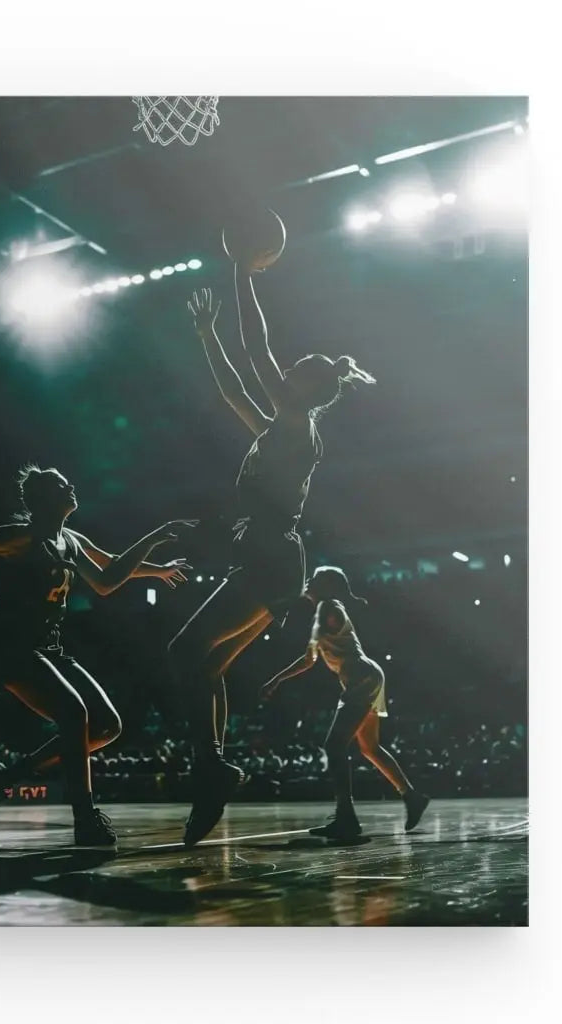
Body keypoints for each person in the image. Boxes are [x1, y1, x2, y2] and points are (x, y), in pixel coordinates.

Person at [169, 271, 376, 847]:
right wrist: (208, 337)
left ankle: (211, 768)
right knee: (203, 664)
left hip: (273, 559)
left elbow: (257, 350)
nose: (282, 372)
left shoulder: (296, 423)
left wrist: (241, 272)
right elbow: (235, 389)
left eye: (292, 371)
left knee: (185, 649)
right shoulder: (275, 429)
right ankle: (211, 771)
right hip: (268, 559)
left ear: (306, 387)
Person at [0, 464, 195, 846]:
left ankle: (1, 777)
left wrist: (155, 564)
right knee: (74, 714)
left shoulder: (71, 540)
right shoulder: (21, 537)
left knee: (106, 727)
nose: (71, 486)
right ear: (43, 499)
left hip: (49, 649)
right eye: (60, 484)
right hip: (11, 649)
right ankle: (85, 816)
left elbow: (107, 578)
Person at [262, 566, 429, 839]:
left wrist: (299, 609)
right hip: (367, 677)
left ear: (326, 586)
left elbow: (326, 628)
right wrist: (277, 680)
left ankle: (346, 817)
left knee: (334, 745)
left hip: (362, 678)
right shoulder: (325, 608)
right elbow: (308, 660)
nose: (308, 580)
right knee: (369, 748)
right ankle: (412, 796)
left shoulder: (329, 606)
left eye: (314, 579)